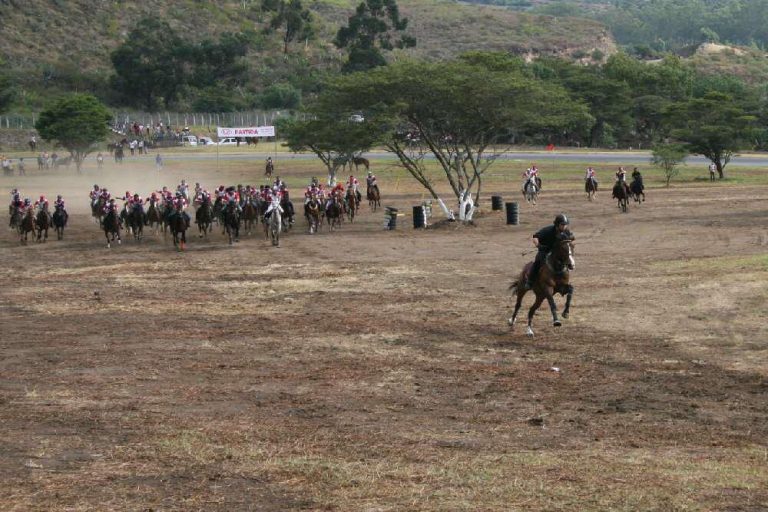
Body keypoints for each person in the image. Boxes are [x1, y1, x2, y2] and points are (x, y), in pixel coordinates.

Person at [525, 214, 571, 290]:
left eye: (566, 225)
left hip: (556, 252)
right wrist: (538, 245)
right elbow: (535, 237)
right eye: (562, 224)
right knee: (537, 263)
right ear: (557, 224)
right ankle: (529, 281)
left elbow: (570, 239)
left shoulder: (566, 231)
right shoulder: (548, 230)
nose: (564, 226)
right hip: (544, 250)